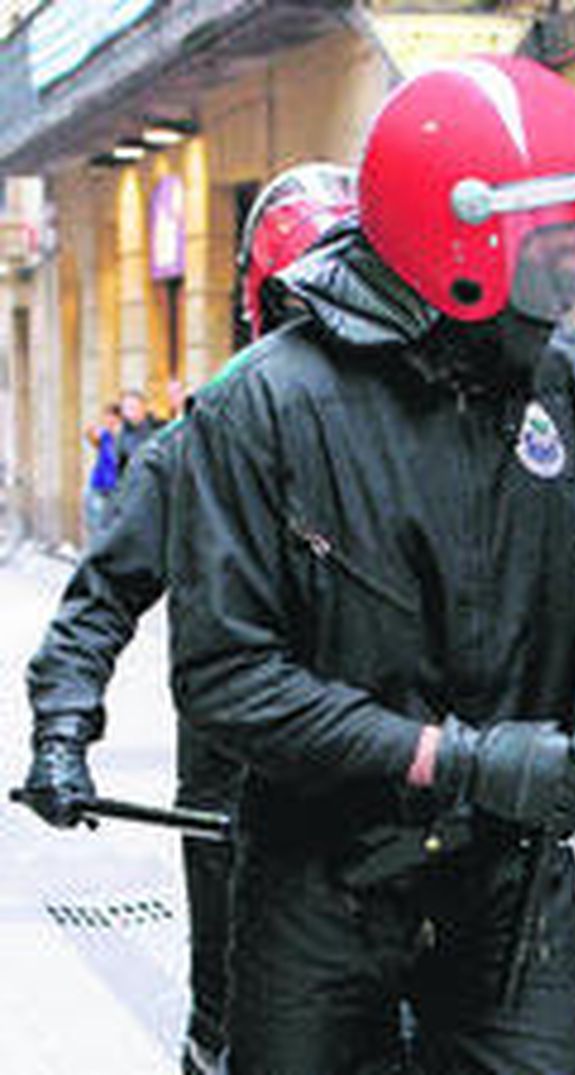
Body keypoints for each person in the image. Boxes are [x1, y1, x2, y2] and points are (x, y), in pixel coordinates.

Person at [166, 56, 575, 1074]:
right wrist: (456, 757)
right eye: (558, 241)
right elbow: (224, 678)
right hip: (319, 891)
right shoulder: (259, 411)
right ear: (460, 244)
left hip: (512, 888)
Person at [20, 160, 358, 1075]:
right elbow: (99, 598)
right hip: (239, 806)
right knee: (236, 1021)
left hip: (386, 793)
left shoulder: (413, 428)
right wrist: (61, 730)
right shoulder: (200, 440)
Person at [82, 401, 122, 538]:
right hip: (97, 485)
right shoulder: (105, 435)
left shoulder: (121, 437)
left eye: (112, 417)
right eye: (106, 417)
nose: (109, 421)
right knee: (95, 523)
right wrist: (92, 431)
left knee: (106, 526)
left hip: (112, 489)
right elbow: (91, 435)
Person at [114, 387, 164, 473]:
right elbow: (118, 469)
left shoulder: (158, 427)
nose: (128, 412)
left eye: (132, 407)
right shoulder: (121, 436)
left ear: (143, 408)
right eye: (126, 408)